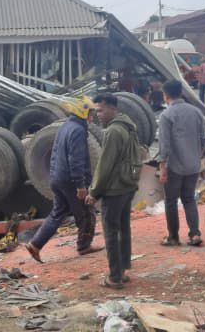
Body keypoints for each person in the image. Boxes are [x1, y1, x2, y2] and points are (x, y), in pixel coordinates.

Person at [25, 98, 100, 262]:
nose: (92, 116)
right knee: (86, 212)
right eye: (90, 113)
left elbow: (55, 154)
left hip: (58, 178)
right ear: (82, 112)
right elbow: (76, 159)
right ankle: (84, 246)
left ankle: (35, 244)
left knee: (57, 213)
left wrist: (55, 177)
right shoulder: (78, 130)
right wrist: (80, 185)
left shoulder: (65, 126)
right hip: (71, 181)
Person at [86, 94, 142, 289]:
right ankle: (123, 269)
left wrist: (93, 192)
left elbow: (105, 166)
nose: (98, 115)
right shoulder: (128, 125)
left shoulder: (113, 131)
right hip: (128, 185)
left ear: (112, 108)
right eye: (96, 111)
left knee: (111, 232)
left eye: (101, 110)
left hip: (115, 189)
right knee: (124, 228)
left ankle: (115, 277)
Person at [157, 80, 205, 247]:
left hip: (174, 166)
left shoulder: (167, 115)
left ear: (166, 95)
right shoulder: (196, 111)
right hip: (193, 164)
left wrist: (162, 167)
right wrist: (196, 156)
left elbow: (164, 145)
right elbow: (203, 139)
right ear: (181, 92)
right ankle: (195, 234)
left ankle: (173, 237)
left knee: (171, 201)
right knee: (189, 198)